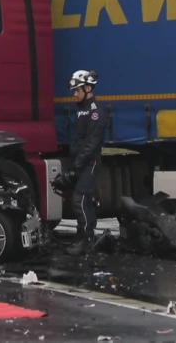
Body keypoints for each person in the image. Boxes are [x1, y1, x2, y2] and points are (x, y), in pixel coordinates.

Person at [64, 69, 106, 256]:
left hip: (90, 162)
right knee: (85, 201)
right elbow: (79, 140)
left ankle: (85, 240)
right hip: (82, 161)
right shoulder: (82, 109)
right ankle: (85, 239)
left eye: (77, 90)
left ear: (88, 88)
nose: (74, 95)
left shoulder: (95, 112)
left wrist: (75, 167)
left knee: (79, 200)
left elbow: (91, 144)